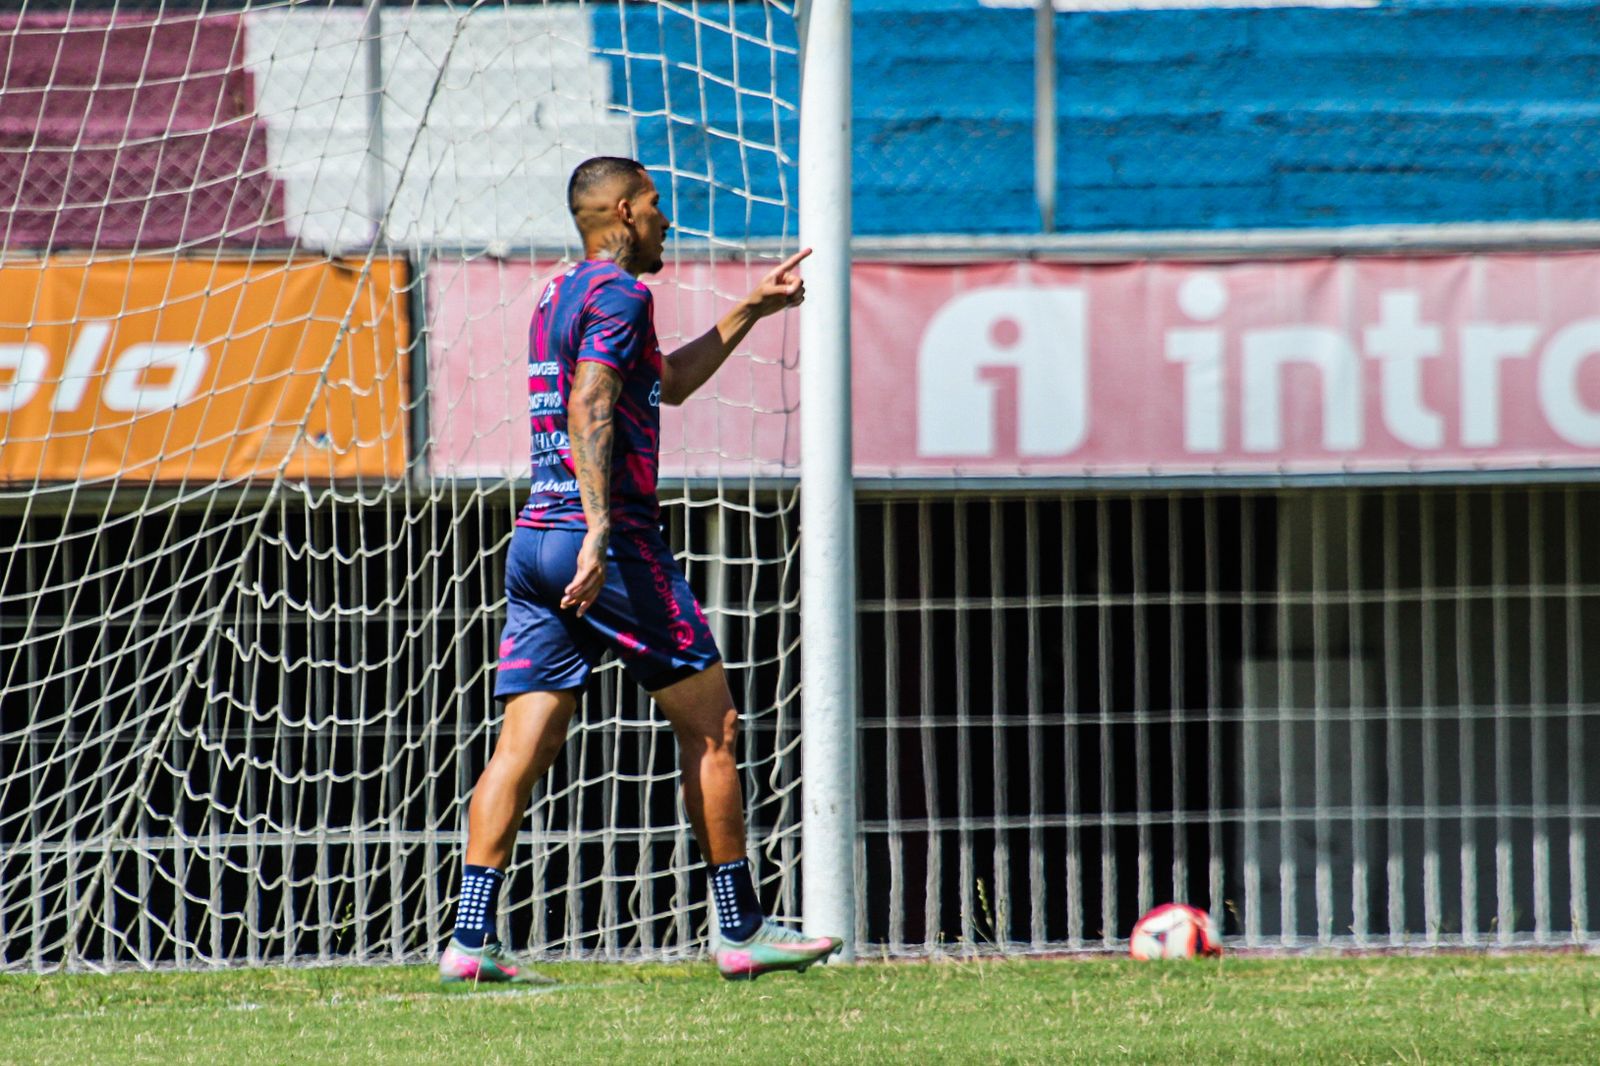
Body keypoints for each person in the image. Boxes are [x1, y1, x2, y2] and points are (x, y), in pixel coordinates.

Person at [439, 156, 842, 985]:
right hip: (609, 539)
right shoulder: (623, 294)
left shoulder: (559, 294)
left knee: (522, 744)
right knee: (714, 727)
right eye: (657, 204)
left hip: (536, 539)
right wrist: (598, 531)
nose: (668, 219)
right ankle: (742, 930)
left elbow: (669, 385)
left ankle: (469, 942)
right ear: (624, 211)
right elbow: (590, 402)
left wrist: (752, 308)